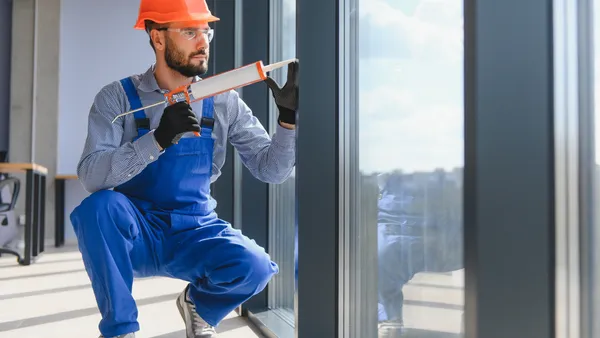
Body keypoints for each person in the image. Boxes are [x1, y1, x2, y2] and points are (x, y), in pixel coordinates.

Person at [69, 0, 298, 337]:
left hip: (195, 230)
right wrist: (157, 139)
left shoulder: (224, 101)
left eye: (206, 31)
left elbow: (271, 170)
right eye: (190, 32)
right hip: (136, 231)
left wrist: (288, 123)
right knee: (97, 209)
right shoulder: (116, 98)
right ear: (158, 38)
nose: (203, 41)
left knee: (256, 266)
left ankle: (200, 306)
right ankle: (121, 330)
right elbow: (90, 175)